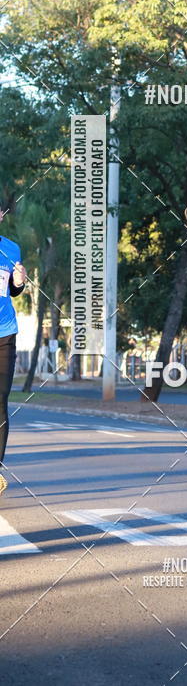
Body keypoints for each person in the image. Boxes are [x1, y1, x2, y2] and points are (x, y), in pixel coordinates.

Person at [0, 211, 27, 497]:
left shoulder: (10, 248)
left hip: (4, 332)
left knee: (0, 400)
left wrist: (19, 281)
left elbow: (13, 291)